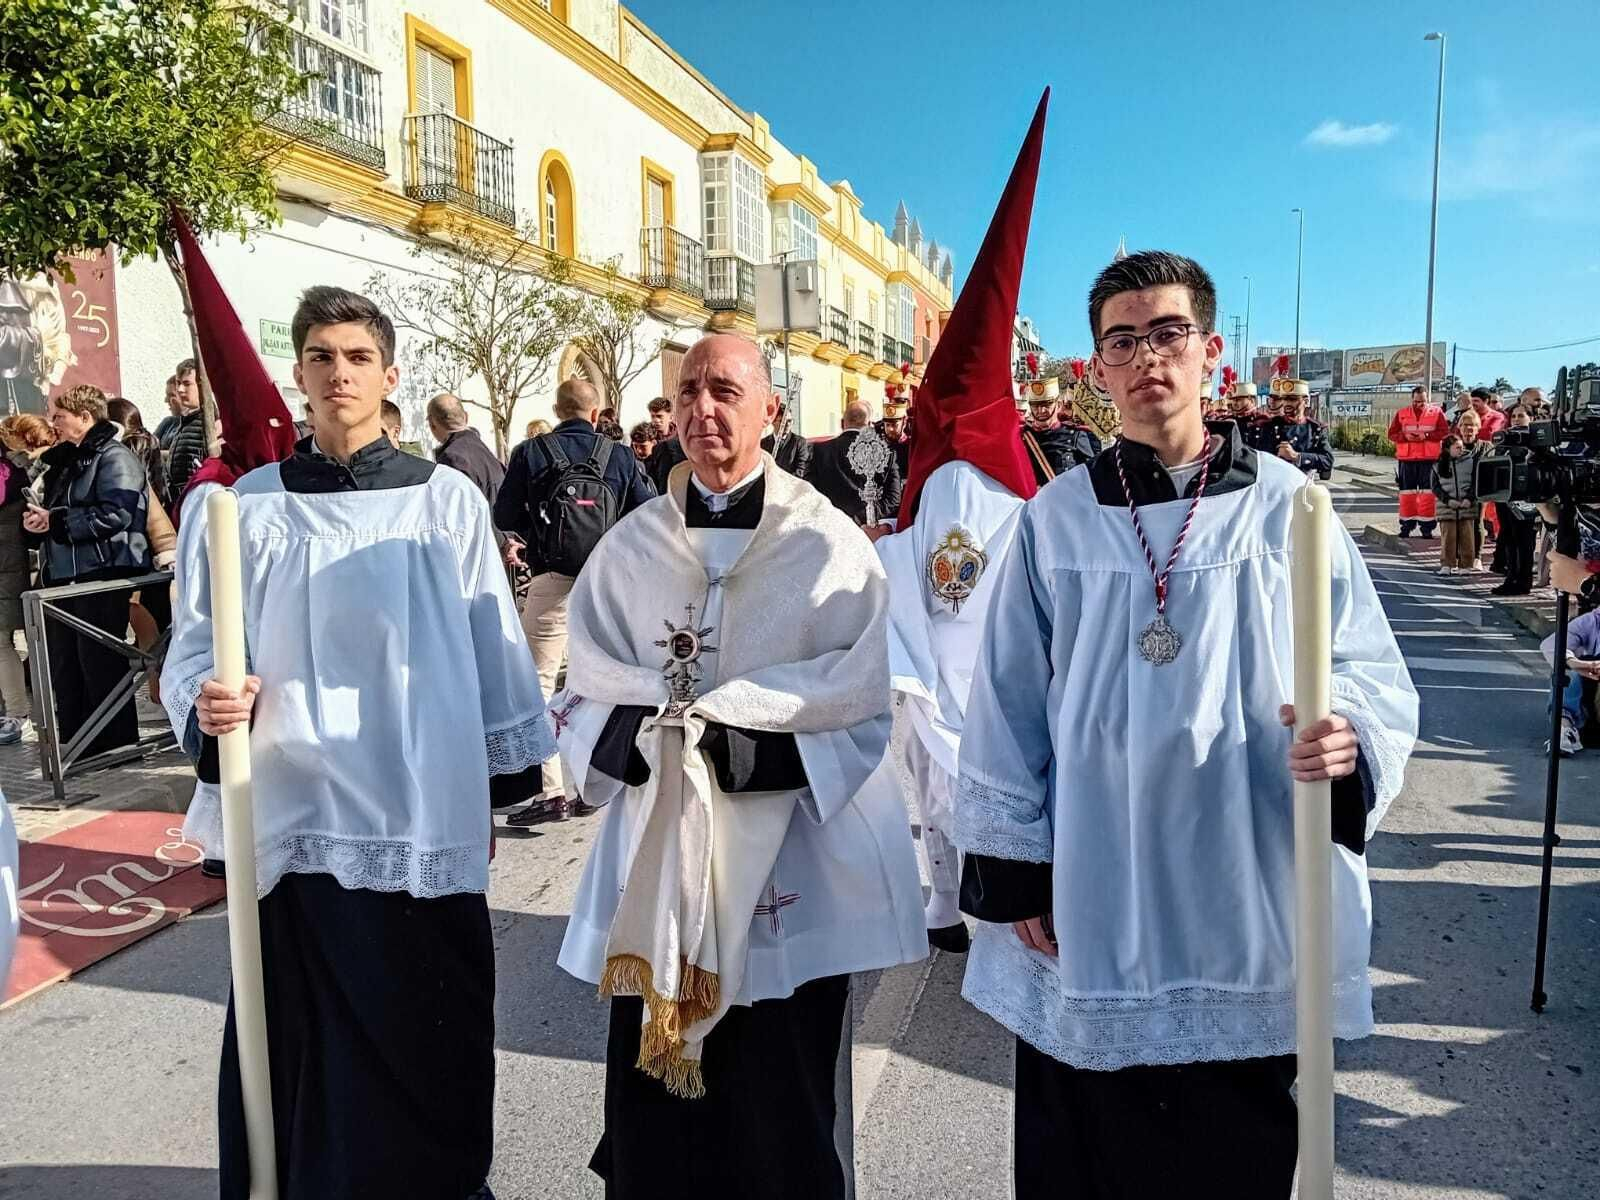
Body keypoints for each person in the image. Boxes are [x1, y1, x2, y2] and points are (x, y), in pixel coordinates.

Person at [953, 250, 1418, 1199]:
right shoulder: (1055, 520)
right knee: (1084, 1139)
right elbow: (1005, 699)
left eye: (1167, 334)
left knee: (1230, 1145)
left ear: (1210, 353)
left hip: (1239, 876)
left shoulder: (1293, 510)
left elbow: (1370, 669)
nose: (1146, 358)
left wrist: (1351, 741)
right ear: (1096, 370)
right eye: (1122, 341)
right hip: (1095, 871)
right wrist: (1015, 866)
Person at [161, 285, 554, 1200]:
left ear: (390, 375)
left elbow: (490, 635)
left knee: (427, 1025)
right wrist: (210, 707)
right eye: (321, 357)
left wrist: (503, 781)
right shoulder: (242, 510)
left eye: (357, 357)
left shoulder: (444, 500)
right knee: (299, 1040)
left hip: (416, 808)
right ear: (298, 374)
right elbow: (193, 643)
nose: (339, 373)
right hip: (295, 808)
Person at [555, 331, 925, 1199]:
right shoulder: (633, 543)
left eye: (725, 390)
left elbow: (859, 695)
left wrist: (745, 744)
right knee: (655, 1101)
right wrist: (641, 746)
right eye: (687, 390)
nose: (702, 408)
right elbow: (589, 681)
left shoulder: (827, 545)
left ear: (773, 412)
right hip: (659, 852)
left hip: (787, 850)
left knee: (780, 1101)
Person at [879, 89, 1044, 956]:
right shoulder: (1007, 486)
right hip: (986, 665)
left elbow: (927, 562)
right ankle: (976, 901)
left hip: (949, 658)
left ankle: (947, 905)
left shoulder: (945, 474)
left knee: (938, 775)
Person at [494, 377, 654, 823]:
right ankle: (597, 783)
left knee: (539, 683)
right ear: (596, 409)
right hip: (607, 582)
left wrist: (538, 533)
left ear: (557, 408)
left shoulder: (532, 453)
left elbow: (504, 514)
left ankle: (551, 792)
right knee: (606, 679)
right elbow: (647, 511)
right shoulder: (618, 454)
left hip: (551, 576)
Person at [23, 385, 151, 758]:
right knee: (66, 660)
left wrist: (59, 521)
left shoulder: (114, 457)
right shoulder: (67, 461)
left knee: (99, 660)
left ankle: (116, 744)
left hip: (103, 571)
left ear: (84, 417)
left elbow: (119, 513)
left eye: (60, 416)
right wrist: (41, 522)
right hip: (67, 574)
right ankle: (79, 743)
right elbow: (60, 512)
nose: (54, 423)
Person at [0, 414, 52, 743]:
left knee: (1, 642)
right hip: (6, 564)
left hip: (4, 567)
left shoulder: (6, 470)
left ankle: (18, 715)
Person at [809, 399, 903, 537]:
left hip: (830, 533)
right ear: (870, 425)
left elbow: (812, 493)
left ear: (842, 423)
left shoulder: (819, 451)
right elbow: (894, 499)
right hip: (868, 534)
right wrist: (862, 519)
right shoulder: (885, 452)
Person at [1386, 384, 1450, 537]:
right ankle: (1406, 526)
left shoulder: (1436, 412)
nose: (1419, 405)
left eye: (1422, 402)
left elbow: (1444, 432)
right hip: (1407, 460)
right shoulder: (1402, 413)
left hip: (1429, 460)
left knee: (1428, 495)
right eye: (1416, 402)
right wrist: (1404, 437)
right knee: (1407, 495)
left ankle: (1427, 528)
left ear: (1428, 399)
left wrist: (1426, 436)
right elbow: (1392, 434)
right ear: (1412, 399)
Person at [1491, 405, 1540, 596]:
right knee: (1509, 538)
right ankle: (1510, 577)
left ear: (1531, 418)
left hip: (1525, 498)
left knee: (1524, 540)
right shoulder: (1504, 439)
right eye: (1514, 416)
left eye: (1522, 416)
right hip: (1504, 496)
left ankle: (1523, 581)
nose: (1517, 419)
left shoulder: (1535, 440)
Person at [428, 393, 505, 508]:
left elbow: (454, 511)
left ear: (432, 424)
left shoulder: (452, 458)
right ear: (466, 417)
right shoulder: (482, 449)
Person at [1020, 377, 1098, 486]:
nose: (1041, 411)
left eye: (1047, 404)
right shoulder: (1022, 437)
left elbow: (1093, 476)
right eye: (1035, 405)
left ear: (1058, 405)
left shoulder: (1075, 435)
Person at [1432, 429, 1483, 575]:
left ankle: (1465, 565)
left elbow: (1475, 482)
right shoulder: (1437, 465)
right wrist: (1448, 500)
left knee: (1467, 537)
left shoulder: (1471, 461)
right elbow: (1435, 487)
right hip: (1447, 507)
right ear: (1448, 449)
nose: (1461, 450)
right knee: (1448, 537)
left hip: (1466, 505)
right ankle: (1447, 564)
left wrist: (1469, 498)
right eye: (1457, 447)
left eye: (1462, 447)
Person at [165, 358, 207, 509]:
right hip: (180, 504)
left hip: (198, 504)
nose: (180, 389)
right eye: (178, 383)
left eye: (187, 384)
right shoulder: (186, 421)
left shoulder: (212, 424)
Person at [1274, 382, 1334, 479]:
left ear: (1305, 402)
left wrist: (1297, 457)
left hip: (1304, 486)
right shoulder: (1271, 426)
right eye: (1284, 399)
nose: (1287, 403)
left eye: (1293, 399)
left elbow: (1328, 461)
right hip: (1275, 485)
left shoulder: (1315, 429)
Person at [762, 397, 812, 478]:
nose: (788, 424)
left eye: (790, 421)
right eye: (783, 421)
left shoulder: (799, 443)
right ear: (773, 422)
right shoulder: (763, 444)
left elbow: (802, 470)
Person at [877, 397, 912, 479]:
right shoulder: (878, 446)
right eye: (887, 425)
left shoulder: (911, 447)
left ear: (904, 422)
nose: (890, 429)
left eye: (894, 425)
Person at [153, 375, 183, 447]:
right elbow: (149, 449)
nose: (166, 400)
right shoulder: (168, 423)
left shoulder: (196, 425)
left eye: (171, 395)